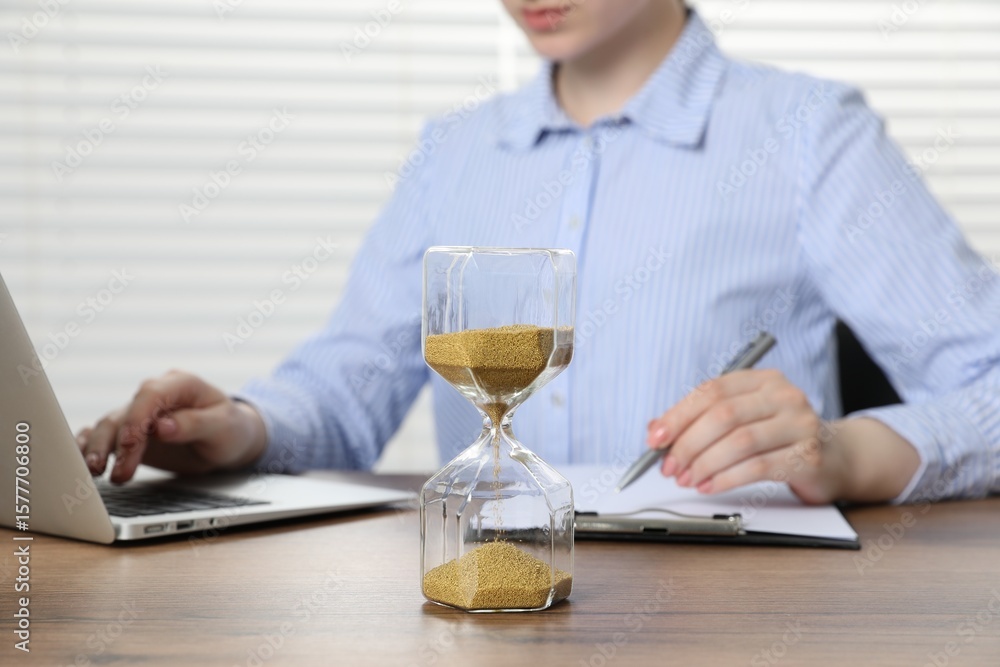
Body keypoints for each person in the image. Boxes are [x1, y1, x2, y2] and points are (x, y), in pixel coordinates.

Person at [77, 0, 1000, 505]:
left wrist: (846, 453)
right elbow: (349, 384)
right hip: (489, 609)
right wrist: (237, 428)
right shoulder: (453, 152)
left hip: (736, 614)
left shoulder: (808, 136)